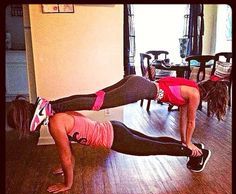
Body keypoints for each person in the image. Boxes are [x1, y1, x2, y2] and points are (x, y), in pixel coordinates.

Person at [7, 99, 211, 194]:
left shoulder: (54, 124)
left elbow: (67, 157)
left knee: (155, 147)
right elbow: (72, 145)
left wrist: (67, 184)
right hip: (114, 127)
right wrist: (64, 167)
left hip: (116, 138)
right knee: (154, 141)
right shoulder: (57, 114)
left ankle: (198, 152)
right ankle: (193, 147)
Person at [29, 75, 228, 157]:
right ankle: (49, 106)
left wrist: (186, 142)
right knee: (96, 103)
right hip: (141, 88)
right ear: (212, 96)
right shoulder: (194, 95)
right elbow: (191, 121)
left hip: (138, 82)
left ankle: (48, 106)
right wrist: (188, 142)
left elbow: (184, 120)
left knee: (94, 99)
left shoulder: (192, 88)